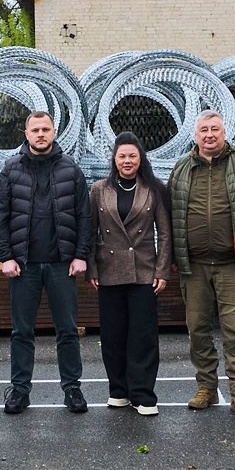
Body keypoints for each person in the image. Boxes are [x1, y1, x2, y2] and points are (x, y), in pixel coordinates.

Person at [168, 111, 235, 418]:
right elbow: (171, 215)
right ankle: (206, 388)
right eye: (204, 130)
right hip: (194, 266)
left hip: (232, 265)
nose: (209, 135)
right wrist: (174, 257)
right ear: (195, 135)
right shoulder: (182, 168)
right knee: (197, 329)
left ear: (224, 133)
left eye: (215, 129)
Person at [0, 110, 91, 414]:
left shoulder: (70, 169)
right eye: (35, 129)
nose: (40, 134)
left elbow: (84, 217)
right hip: (24, 266)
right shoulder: (11, 170)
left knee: (67, 330)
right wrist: (6, 257)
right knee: (22, 332)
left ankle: (72, 389)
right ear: (26, 133)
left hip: (62, 264)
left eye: (45, 129)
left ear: (53, 132)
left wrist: (81, 255)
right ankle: (20, 391)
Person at [87, 132, 172, 417]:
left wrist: (162, 269)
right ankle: (119, 391)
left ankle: (144, 394)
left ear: (140, 159)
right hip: (109, 272)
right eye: (122, 156)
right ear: (114, 158)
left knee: (143, 336)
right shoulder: (99, 189)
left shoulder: (154, 189)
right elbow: (90, 231)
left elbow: (165, 233)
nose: (127, 161)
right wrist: (92, 268)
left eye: (132, 156)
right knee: (113, 335)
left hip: (144, 272)